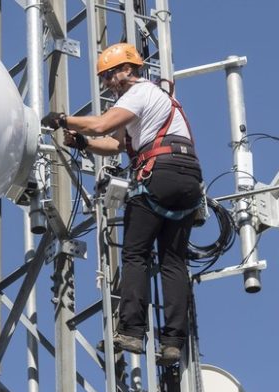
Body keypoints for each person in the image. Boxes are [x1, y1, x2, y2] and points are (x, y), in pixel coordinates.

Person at [43, 42, 203, 366]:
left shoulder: (139, 93)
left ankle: (131, 331)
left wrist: (63, 120)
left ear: (130, 69)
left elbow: (101, 124)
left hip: (162, 172)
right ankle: (173, 342)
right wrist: (85, 142)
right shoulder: (151, 102)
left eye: (113, 73)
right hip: (187, 179)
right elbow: (113, 143)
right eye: (105, 77)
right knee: (172, 261)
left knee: (135, 253)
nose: (109, 82)